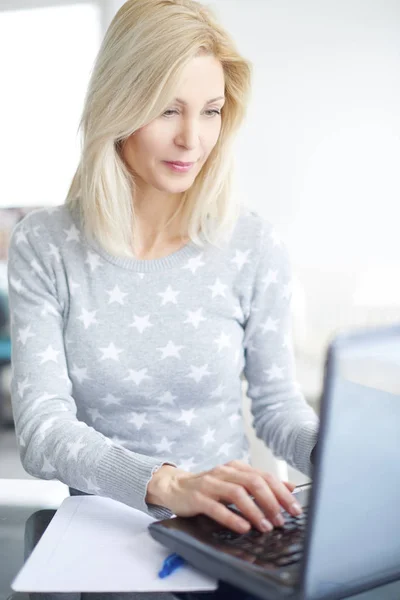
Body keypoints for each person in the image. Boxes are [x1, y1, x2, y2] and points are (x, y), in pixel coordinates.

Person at [7, 0, 319, 598]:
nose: (192, 139)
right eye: (167, 109)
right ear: (118, 107)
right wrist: (169, 484)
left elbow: (278, 406)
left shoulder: (251, 243)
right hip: (97, 534)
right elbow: (44, 429)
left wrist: (337, 459)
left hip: (225, 532)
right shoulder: (45, 245)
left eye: (211, 111)